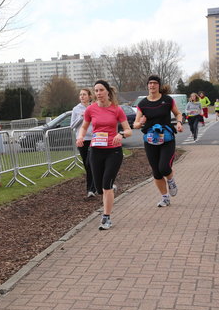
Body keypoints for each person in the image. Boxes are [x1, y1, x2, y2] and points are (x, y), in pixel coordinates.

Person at [76, 80, 132, 230]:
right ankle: (109, 189)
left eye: (101, 90)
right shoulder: (90, 109)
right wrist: (80, 137)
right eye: (96, 91)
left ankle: (106, 218)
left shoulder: (117, 109)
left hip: (113, 151)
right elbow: (84, 127)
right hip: (96, 151)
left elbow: (129, 130)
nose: (98, 93)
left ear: (108, 92)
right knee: (100, 188)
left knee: (106, 185)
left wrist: (121, 134)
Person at [133, 75, 183, 208]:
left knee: (164, 167)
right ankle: (165, 197)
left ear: (159, 85)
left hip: (167, 138)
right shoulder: (142, 104)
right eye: (150, 83)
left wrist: (179, 122)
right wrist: (140, 122)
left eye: (155, 83)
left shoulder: (167, 100)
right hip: (150, 140)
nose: (152, 85)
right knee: (156, 172)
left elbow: (178, 113)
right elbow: (135, 124)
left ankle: (171, 181)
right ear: (147, 85)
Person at [71, 88, 97, 199]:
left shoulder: (95, 107)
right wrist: (82, 117)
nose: (82, 96)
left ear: (90, 96)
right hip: (82, 139)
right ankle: (93, 187)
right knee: (87, 165)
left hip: (94, 139)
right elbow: (72, 126)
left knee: (91, 163)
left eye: (84, 94)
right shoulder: (76, 109)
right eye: (80, 95)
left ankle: (91, 189)